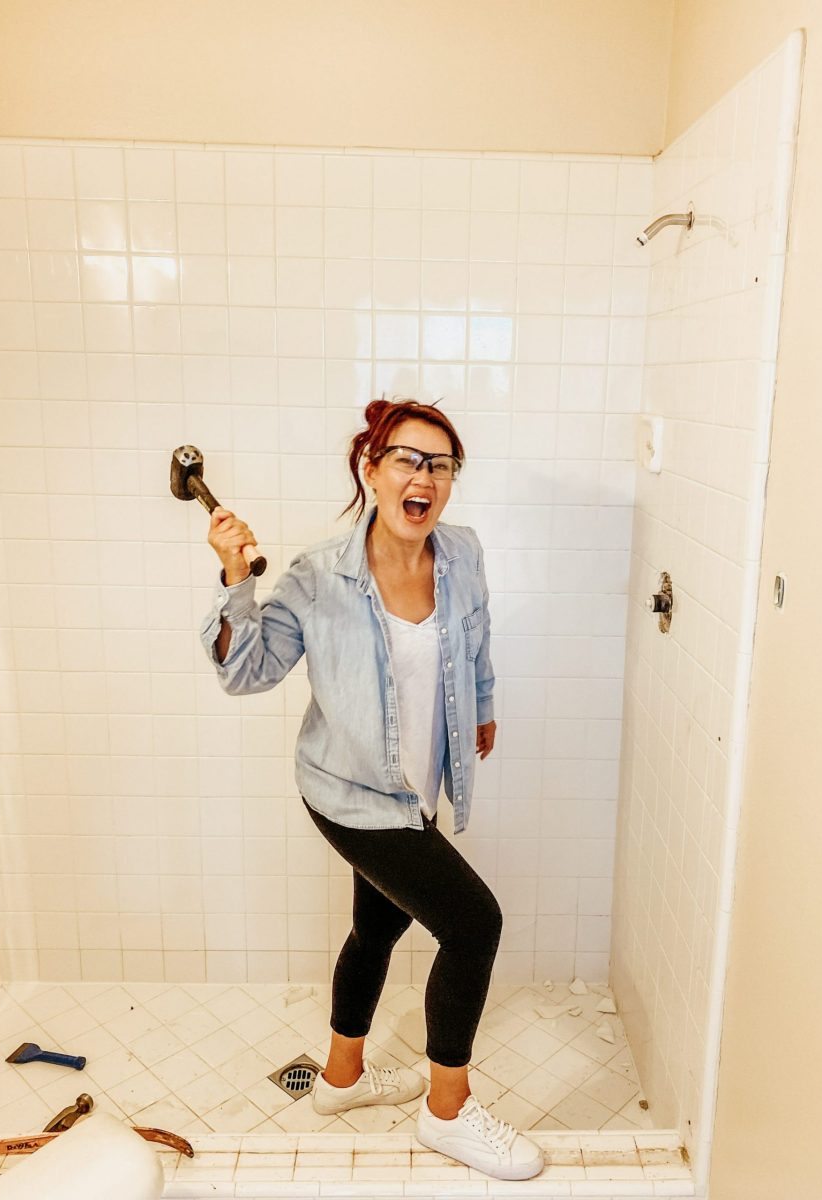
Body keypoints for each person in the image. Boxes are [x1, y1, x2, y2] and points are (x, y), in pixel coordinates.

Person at [200, 397, 545, 1181]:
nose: (424, 476)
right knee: (474, 925)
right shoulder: (320, 577)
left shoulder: (461, 552)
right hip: (349, 795)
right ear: (371, 468)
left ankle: (341, 1080)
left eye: (442, 464)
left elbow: (477, 641)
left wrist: (480, 712)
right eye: (407, 460)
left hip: (415, 787)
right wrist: (233, 577)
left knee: (378, 931)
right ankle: (448, 1114)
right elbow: (244, 672)